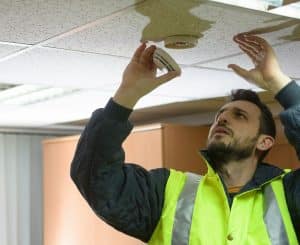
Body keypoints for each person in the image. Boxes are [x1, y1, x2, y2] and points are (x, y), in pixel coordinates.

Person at [70, 34, 300, 244]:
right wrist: (127, 94)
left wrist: (279, 83)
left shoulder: (289, 193)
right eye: (220, 115)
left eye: (239, 116)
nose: (222, 120)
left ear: (265, 142)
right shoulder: (167, 191)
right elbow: (95, 178)